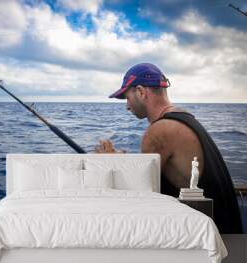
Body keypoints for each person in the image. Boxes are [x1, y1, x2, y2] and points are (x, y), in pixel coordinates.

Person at [95, 62, 243, 233]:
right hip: (229, 231)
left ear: (141, 92)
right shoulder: (185, 118)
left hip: (212, 240)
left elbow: (141, 197)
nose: (127, 106)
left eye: (127, 97)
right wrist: (126, 161)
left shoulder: (159, 131)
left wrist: (112, 165)